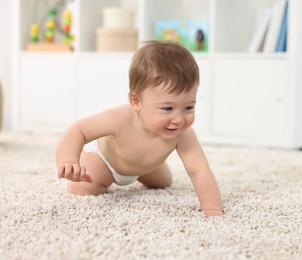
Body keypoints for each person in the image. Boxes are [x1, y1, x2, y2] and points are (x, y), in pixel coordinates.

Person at [56, 40, 224, 217]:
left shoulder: (183, 134)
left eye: (189, 107)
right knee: (83, 187)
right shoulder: (120, 118)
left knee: (165, 182)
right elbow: (78, 130)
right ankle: (91, 171)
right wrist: (68, 161)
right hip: (105, 162)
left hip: (145, 168)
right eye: (167, 108)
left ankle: (147, 165)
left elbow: (199, 170)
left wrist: (212, 208)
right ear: (136, 102)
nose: (179, 119)